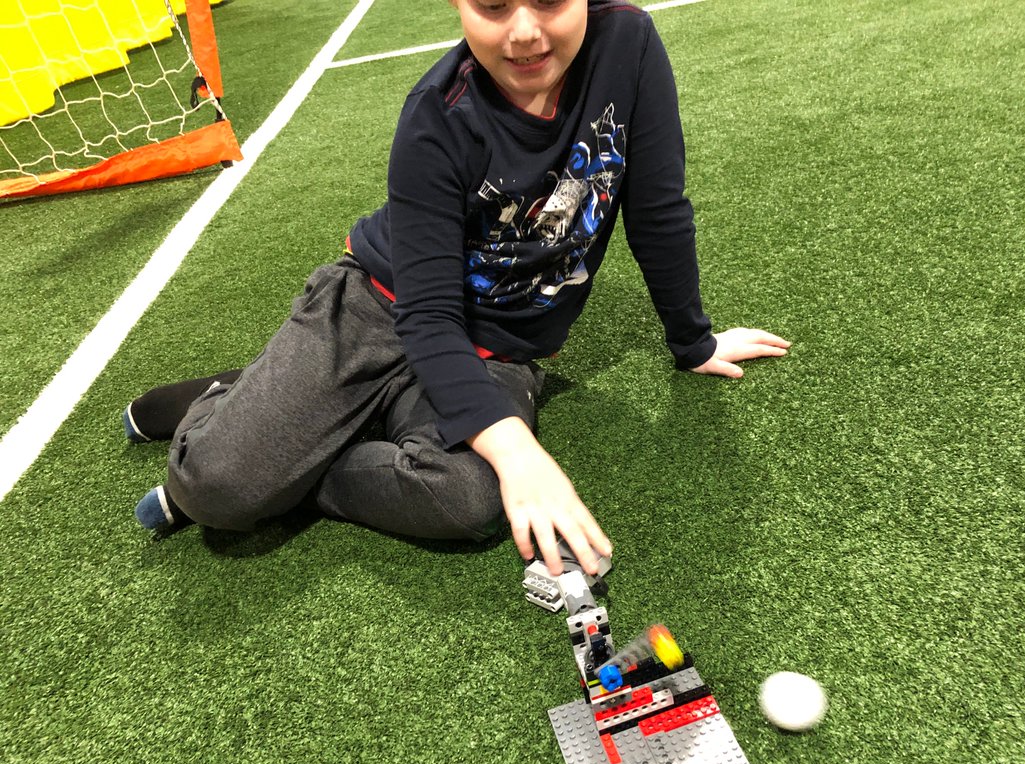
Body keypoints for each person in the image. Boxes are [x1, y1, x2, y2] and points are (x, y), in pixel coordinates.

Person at [125, 0, 789, 577]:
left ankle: (298, 436)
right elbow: (429, 313)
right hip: (381, 306)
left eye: (551, 0)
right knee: (215, 491)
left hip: (492, 350)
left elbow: (659, 210)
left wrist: (692, 341)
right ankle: (241, 406)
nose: (525, 32)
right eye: (494, 5)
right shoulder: (435, 116)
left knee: (467, 499)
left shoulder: (630, 43)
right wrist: (517, 447)